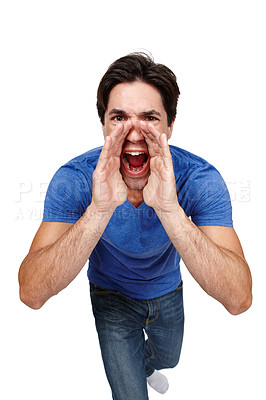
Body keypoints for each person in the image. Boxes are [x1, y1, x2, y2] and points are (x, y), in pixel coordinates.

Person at [18, 53, 252, 400]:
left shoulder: (199, 179)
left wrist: (170, 209)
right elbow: (31, 293)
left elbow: (239, 299)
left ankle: (145, 363)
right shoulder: (74, 180)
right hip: (109, 294)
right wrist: (99, 209)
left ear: (170, 126)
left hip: (166, 287)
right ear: (103, 124)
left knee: (168, 359)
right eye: (119, 117)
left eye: (149, 117)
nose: (133, 132)